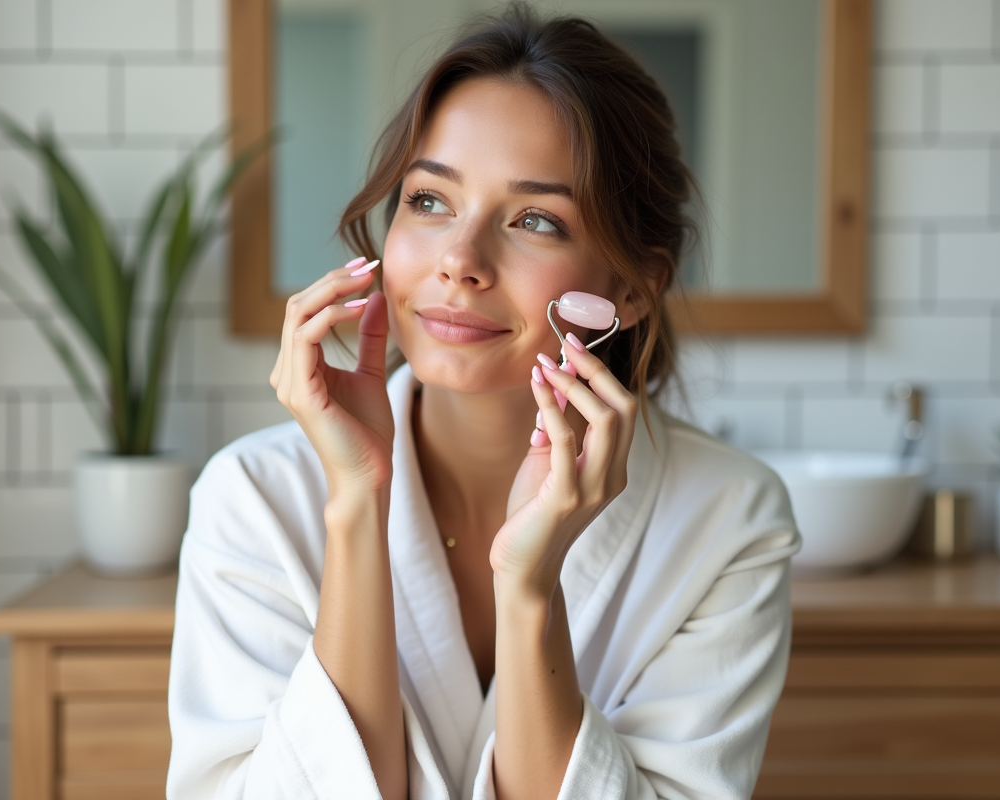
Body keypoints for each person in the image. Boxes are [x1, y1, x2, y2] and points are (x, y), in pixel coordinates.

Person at [166, 5, 800, 799]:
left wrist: (531, 588)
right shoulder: (253, 501)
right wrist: (357, 508)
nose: (460, 261)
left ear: (633, 291)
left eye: (535, 219)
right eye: (429, 200)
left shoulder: (729, 520)